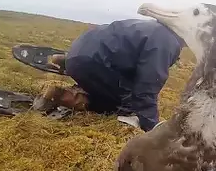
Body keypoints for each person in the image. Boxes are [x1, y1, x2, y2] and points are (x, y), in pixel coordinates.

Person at [32, 18, 185, 132]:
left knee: (117, 88)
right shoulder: (167, 42)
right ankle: (61, 95)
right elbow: (147, 86)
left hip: (82, 50)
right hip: (94, 64)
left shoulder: (153, 28)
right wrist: (152, 126)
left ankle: (67, 60)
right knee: (123, 104)